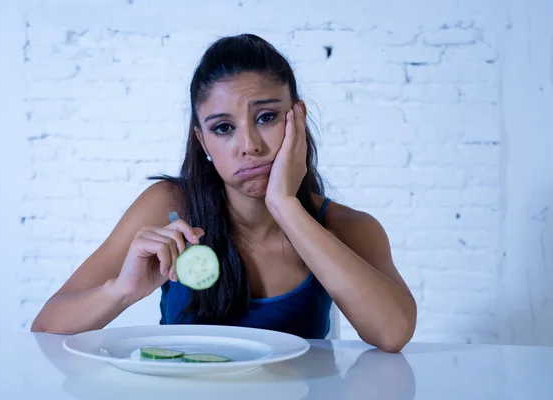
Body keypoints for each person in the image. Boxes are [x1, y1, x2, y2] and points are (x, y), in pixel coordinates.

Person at [31, 33, 417, 352]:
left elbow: (392, 333)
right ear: (202, 141)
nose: (248, 145)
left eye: (266, 118)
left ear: (297, 118)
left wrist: (284, 205)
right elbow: (47, 326)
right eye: (222, 128)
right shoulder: (169, 206)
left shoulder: (346, 226)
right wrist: (122, 291)